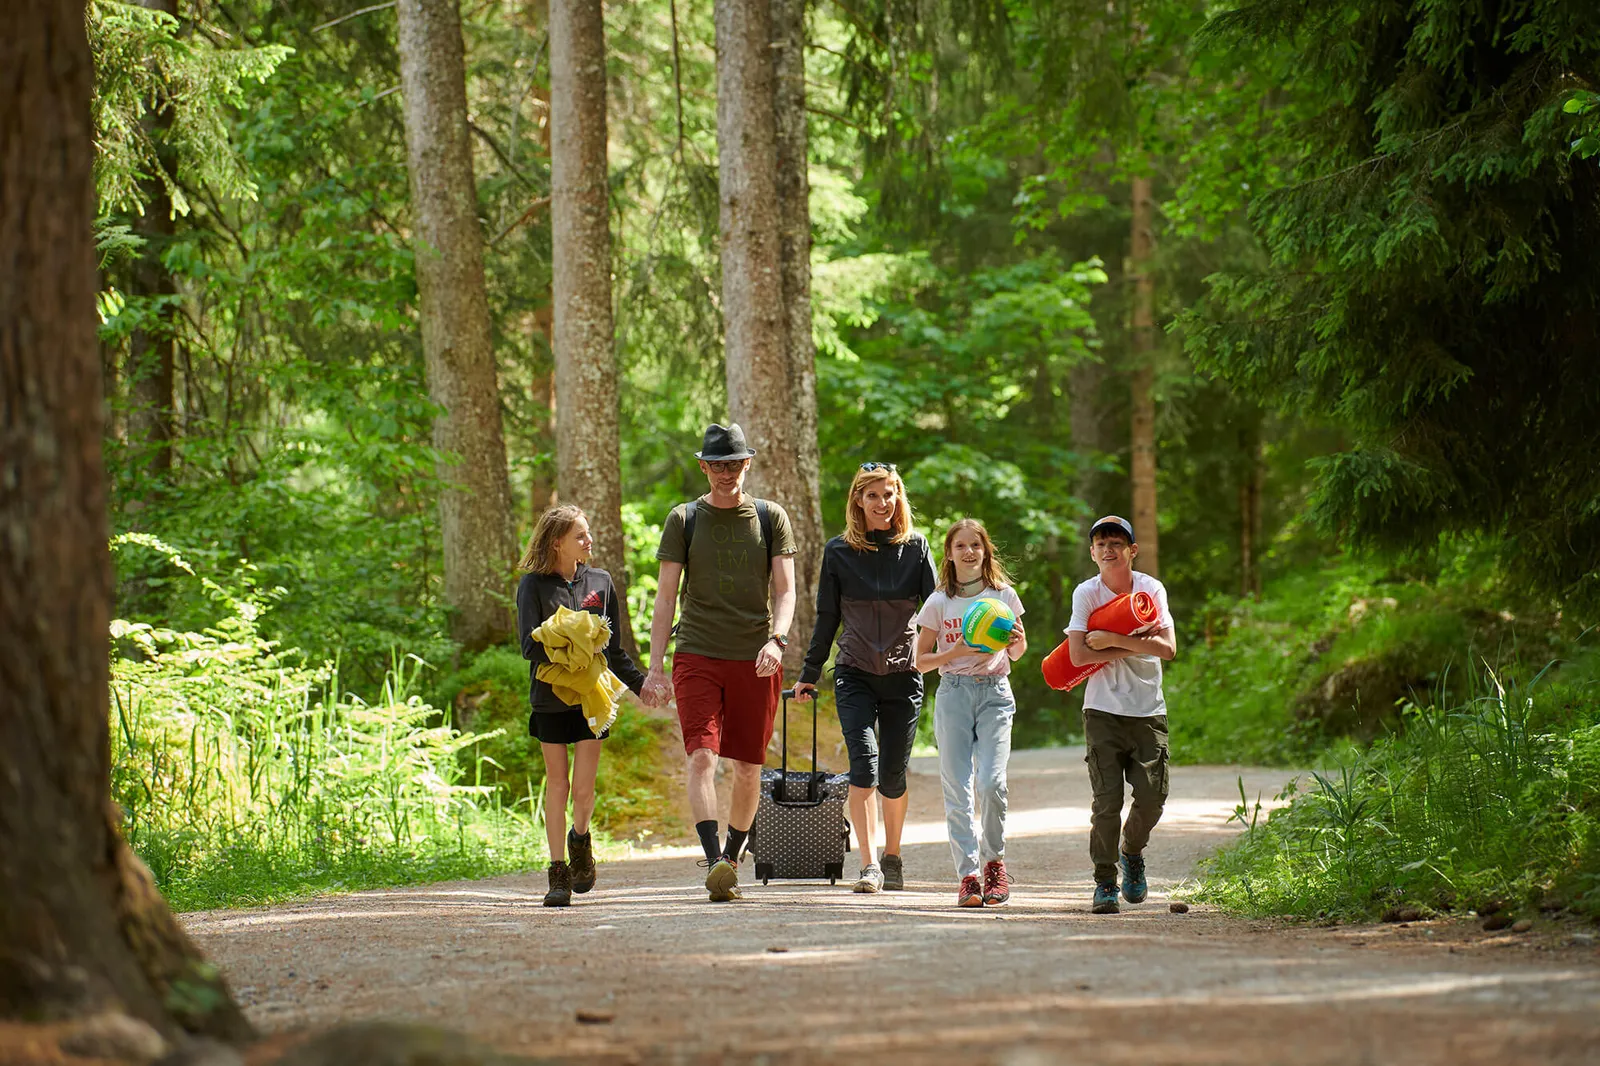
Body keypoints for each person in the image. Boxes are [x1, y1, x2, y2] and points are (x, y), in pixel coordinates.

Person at [641, 423, 797, 902]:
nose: (726, 473)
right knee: (702, 756)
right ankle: (713, 861)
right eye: (717, 465)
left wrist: (778, 640)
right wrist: (655, 666)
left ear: (746, 464)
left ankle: (733, 856)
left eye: (734, 464)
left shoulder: (770, 517)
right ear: (704, 466)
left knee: (748, 766)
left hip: (755, 658)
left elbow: (786, 590)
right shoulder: (683, 519)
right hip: (697, 653)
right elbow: (665, 598)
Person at [794, 463, 937, 893]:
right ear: (858, 500)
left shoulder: (916, 547)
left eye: (889, 495)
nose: (882, 503)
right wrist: (809, 673)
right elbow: (827, 617)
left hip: (904, 673)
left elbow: (936, 611)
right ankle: (869, 864)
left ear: (898, 499)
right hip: (854, 671)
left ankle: (893, 854)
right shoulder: (838, 551)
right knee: (864, 765)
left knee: (893, 773)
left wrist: (950, 656)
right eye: (873, 496)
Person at [516, 505, 646, 908]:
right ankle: (557, 873)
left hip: (593, 697)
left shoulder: (601, 582)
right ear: (558, 542)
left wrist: (645, 686)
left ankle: (580, 840)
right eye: (581, 536)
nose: (589, 541)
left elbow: (616, 649)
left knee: (584, 791)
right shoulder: (533, 586)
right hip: (550, 699)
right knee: (559, 784)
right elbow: (528, 646)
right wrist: (573, 641)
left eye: (587, 535)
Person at [1065, 514, 1177, 914]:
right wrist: (1138, 642)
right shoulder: (1086, 593)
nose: (1108, 549)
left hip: (1148, 710)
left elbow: (1167, 648)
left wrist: (1113, 639)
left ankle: (1132, 850)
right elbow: (1078, 655)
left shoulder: (1151, 588)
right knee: (1106, 802)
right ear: (1092, 553)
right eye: (1101, 544)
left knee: (1153, 798)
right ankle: (1105, 882)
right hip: (1101, 710)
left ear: (1132, 550)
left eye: (1117, 543)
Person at [914, 518, 1027, 907]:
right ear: (949, 553)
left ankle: (994, 863)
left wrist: (1018, 642)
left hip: (995, 692)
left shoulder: (1003, 597)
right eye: (960, 546)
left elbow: (1016, 652)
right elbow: (921, 661)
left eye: (975, 545)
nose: (968, 552)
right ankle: (968, 876)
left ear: (985, 551)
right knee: (958, 788)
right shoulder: (939, 601)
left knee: (992, 783)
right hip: (954, 695)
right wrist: (955, 652)